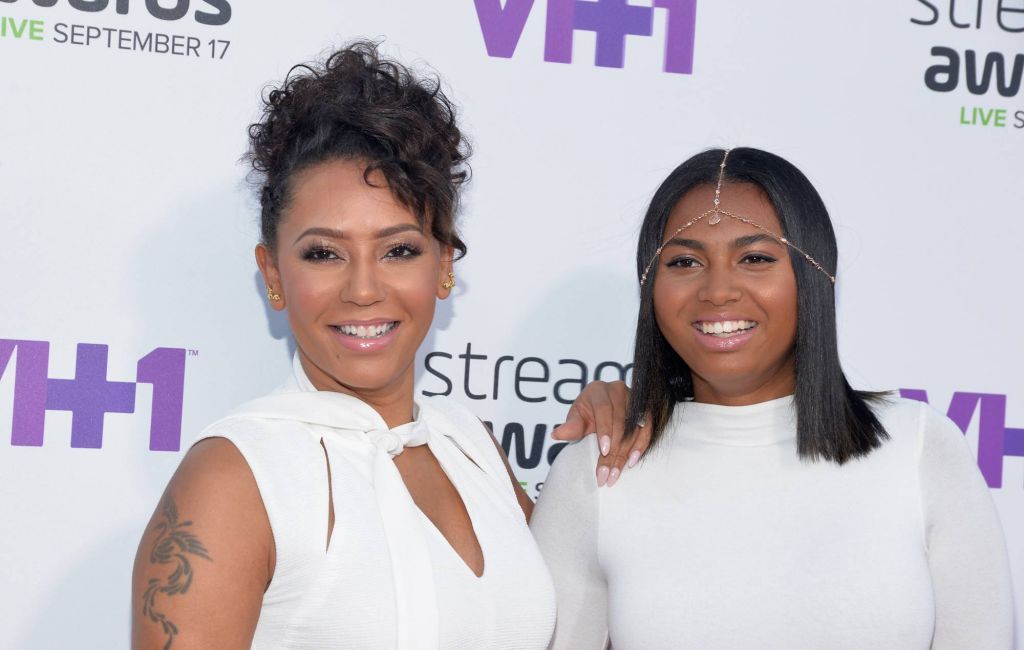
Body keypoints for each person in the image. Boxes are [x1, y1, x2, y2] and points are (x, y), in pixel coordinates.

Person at [130, 42, 557, 649]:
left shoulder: (474, 448)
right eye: (324, 253)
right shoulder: (234, 477)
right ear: (273, 274)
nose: (363, 289)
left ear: (444, 265)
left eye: (399, 250)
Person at [531, 147, 1014, 649]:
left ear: (815, 276)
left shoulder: (917, 448)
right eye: (685, 261)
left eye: (755, 258)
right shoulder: (600, 469)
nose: (718, 290)